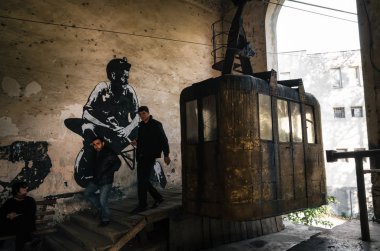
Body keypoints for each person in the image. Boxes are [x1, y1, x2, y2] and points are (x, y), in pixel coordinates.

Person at [64, 57, 139, 188]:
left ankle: (105, 167)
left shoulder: (130, 91)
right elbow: (87, 112)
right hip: (101, 130)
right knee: (87, 128)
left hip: (118, 135)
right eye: (124, 77)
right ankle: (89, 161)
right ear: (113, 75)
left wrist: (126, 129)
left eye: (128, 77)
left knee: (140, 129)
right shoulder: (101, 88)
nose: (127, 80)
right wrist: (106, 125)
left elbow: (137, 116)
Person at [131, 106, 171, 213]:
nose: (142, 116)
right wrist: (136, 142)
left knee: (142, 181)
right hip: (141, 156)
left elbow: (164, 140)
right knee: (143, 180)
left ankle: (142, 205)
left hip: (150, 156)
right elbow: (142, 139)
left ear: (148, 113)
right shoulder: (140, 126)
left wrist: (166, 154)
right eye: (140, 114)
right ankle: (158, 198)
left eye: (143, 113)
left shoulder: (156, 124)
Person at [84, 137, 121, 227]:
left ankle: (105, 219)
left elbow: (118, 163)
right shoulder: (95, 152)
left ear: (103, 143)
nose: (96, 146)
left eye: (98, 143)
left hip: (106, 181)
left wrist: (108, 173)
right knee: (87, 193)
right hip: (96, 180)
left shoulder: (109, 152)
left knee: (102, 200)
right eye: (94, 144)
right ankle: (100, 208)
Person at [0, 181, 36, 251]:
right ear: (16, 190)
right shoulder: (10, 202)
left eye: (26, 188)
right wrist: (7, 215)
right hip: (13, 227)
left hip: (26, 225)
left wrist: (16, 215)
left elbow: (30, 214)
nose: (26, 190)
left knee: (22, 222)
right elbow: (2, 213)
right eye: (23, 189)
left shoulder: (30, 201)